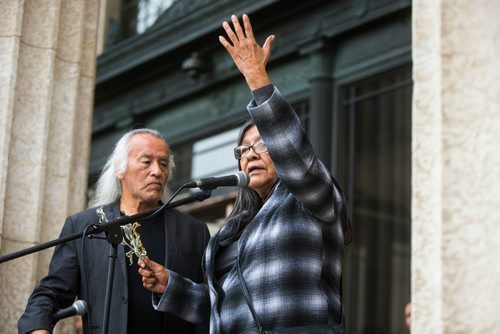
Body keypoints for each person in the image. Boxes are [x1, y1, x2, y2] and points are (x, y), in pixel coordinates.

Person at [138, 14, 352, 333]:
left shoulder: (310, 197)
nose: (250, 154)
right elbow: (223, 310)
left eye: (262, 145)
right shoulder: (232, 231)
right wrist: (173, 287)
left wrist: (256, 78)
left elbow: (295, 152)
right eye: (243, 150)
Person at [18, 128, 211, 334]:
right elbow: (51, 293)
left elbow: (211, 303)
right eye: (146, 162)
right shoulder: (85, 226)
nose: (157, 171)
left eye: (163, 164)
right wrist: (38, 328)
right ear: (120, 169)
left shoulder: (193, 231)